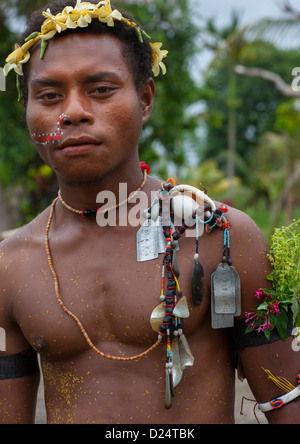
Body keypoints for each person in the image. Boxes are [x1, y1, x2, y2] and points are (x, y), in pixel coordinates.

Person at [0, 0, 299, 425]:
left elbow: (288, 404)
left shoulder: (222, 237)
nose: (72, 112)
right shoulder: (12, 265)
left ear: (145, 98)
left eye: (101, 90)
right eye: (48, 96)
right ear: (28, 110)